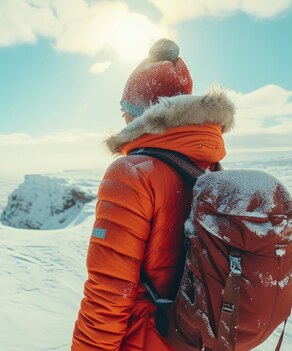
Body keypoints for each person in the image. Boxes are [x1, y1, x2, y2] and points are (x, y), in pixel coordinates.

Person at [71, 39, 235, 351]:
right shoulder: (211, 167)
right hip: (200, 337)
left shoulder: (132, 173)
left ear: (139, 114)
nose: (122, 120)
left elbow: (109, 290)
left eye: (124, 110)